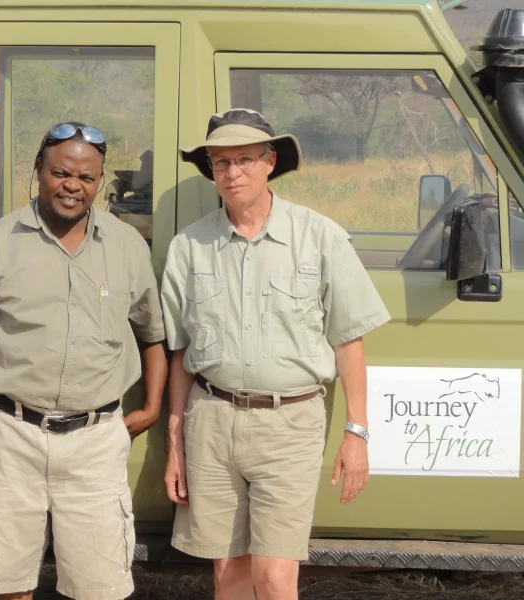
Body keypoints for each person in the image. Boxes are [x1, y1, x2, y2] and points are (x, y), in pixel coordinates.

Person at [161, 108, 390, 600]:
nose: (232, 172)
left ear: (269, 163)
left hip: (289, 424)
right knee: (229, 574)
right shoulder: (189, 247)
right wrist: (176, 440)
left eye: (245, 159)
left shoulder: (320, 237)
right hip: (212, 422)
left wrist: (357, 433)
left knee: (276, 575)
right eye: (220, 162)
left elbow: (349, 340)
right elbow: (181, 353)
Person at [0, 122, 168, 600]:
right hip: (9, 435)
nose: (72, 186)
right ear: (38, 170)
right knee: (4, 585)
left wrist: (152, 406)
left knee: (98, 587)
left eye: (85, 178)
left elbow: (153, 335)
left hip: (96, 442)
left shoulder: (126, 246)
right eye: (61, 173)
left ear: (100, 181)